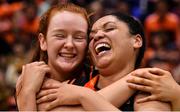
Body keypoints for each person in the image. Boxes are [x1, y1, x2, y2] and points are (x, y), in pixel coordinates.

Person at [34, 12, 171, 111]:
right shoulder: (68, 85)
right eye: (91, 36)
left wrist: (84, 96)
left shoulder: (152, 90)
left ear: (136, 41)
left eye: (110, 28)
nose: (98, 36)